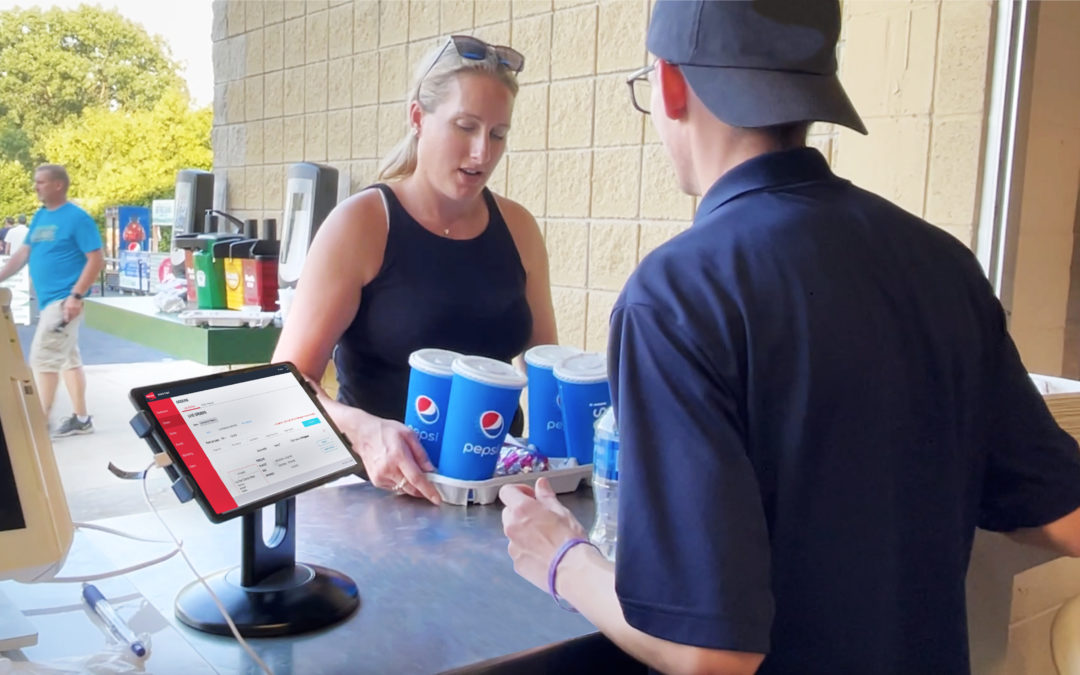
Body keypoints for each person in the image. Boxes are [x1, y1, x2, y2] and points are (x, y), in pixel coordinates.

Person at [500, 1, 1080, 673]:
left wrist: (562, 558)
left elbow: (711, 653)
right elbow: (1061, 509)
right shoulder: (942, 263)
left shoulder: (678, 295)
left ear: (670, 84)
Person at [272, 35, 557, 504]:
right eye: (465, 127)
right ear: (418, 118)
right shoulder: (362, 224)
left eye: (498, 134)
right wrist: (360, 430)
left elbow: (548, 369)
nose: (482, 153)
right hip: (382, 500)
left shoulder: (519, 227)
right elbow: (284, 385)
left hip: (499, 500)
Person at [0, 166, 104, 436]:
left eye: (41, 182)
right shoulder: (41, 216)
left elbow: (96, 259)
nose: (36, 187)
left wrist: (76, 296)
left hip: (64, 302)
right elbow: (23, 253)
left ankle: (39, 424)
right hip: (49, 302)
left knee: (44, 359)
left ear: (58, 185)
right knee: (68, 359)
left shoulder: (77, 219)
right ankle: (81, 419)